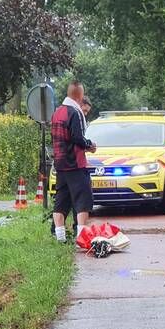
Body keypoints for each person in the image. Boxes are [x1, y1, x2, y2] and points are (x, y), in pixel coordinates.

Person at [51, 81, 96, 243]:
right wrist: (89, 145)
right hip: (75, 164)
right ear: (80, 96)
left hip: (60, 165)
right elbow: (77, 137)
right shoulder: (74, 112)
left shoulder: (57, 112)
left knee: (61, 201)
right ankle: (81, 238)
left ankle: (60, 238)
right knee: (83, 200)